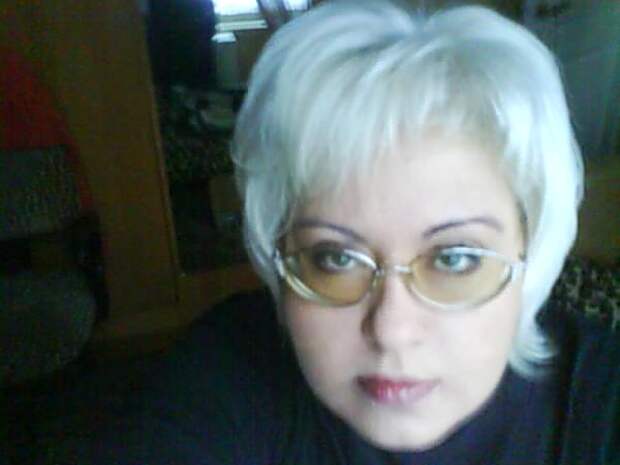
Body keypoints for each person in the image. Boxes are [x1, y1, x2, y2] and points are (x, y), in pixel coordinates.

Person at [47, 1, 620, 464]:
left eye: (454, 258)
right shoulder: (227, 371)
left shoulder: (599, 401)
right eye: (336, 258)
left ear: (531, 248)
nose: (391, 331)